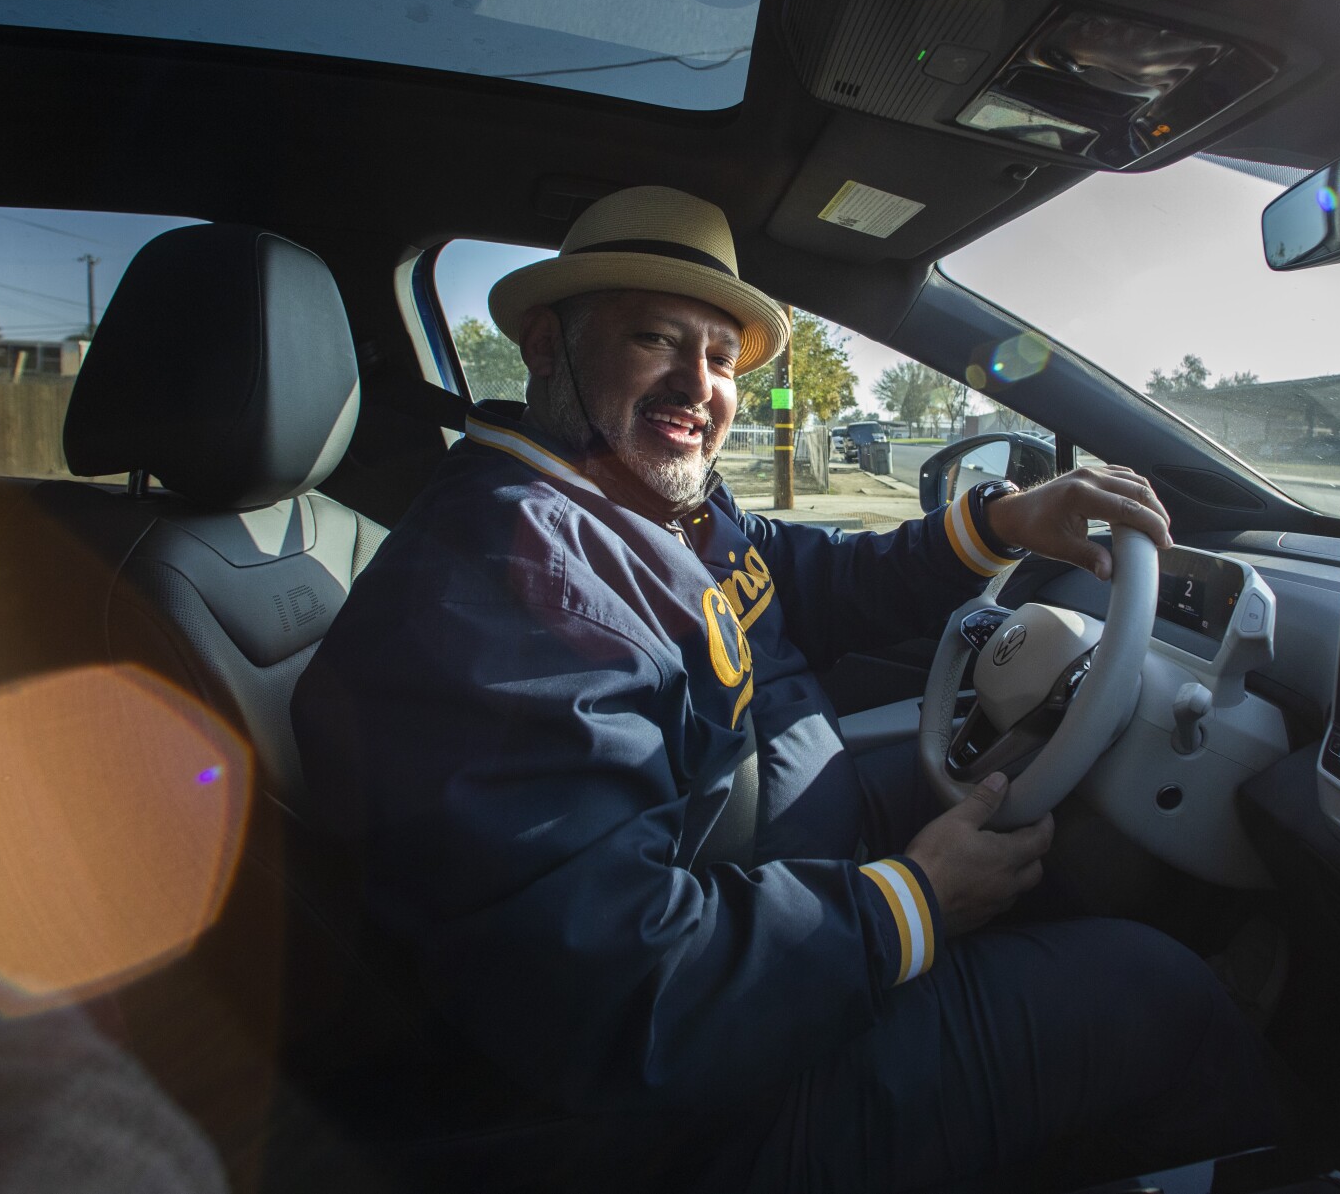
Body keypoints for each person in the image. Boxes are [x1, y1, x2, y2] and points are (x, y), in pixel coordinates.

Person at [293, 186, 1278, 1190]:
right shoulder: (506, 589)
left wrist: (1001, 522)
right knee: (1160, 999)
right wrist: (909, 902)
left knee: (1066, 825)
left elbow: (799, 578)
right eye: (656, 340)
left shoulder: (640, 502)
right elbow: (615, 990)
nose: (699, 384)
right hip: (680, 1119)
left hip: (772, 907)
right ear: (547, 346)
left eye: (720, 358)